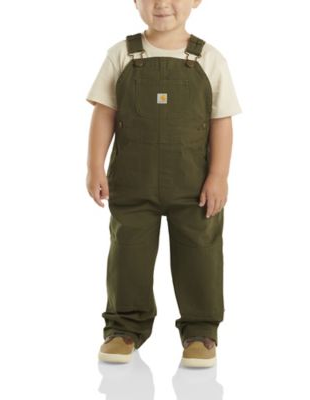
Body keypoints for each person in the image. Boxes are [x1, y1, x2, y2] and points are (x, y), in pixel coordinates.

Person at [85, 0, 242, 368]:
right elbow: (105, 112)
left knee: (200, 254)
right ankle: (123, 328)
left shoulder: (209, 59)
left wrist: (219, 176)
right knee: (128, 254)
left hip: (194, 186)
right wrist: (95, 166)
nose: (162, 4)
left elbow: (221, 121)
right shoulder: (121, 54)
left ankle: (200, 331)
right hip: (131, 183)